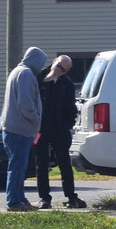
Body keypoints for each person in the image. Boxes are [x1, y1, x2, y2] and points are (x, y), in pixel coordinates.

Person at [0, 47, 47, 211]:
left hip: (13, 128)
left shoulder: (17, 71)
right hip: (20, 129)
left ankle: (20, 198)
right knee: (17, 167)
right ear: (35, 60)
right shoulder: (26, 74)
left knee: (18, 167)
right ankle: (14, 202)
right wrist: (37, 119)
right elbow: (26, 105)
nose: (41, 66)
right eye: (41, 62)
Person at [36, 55, 86, 209]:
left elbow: (71, 108)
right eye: (58, 66)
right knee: (41, 164)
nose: (59, 70)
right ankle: (44, 198)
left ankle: (71, 197)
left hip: (59, 130)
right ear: (54, 62)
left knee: (65, 164)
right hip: (41, 129)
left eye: (63, 70)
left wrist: (67, 126)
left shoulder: (67, 84)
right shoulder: (39, 78)